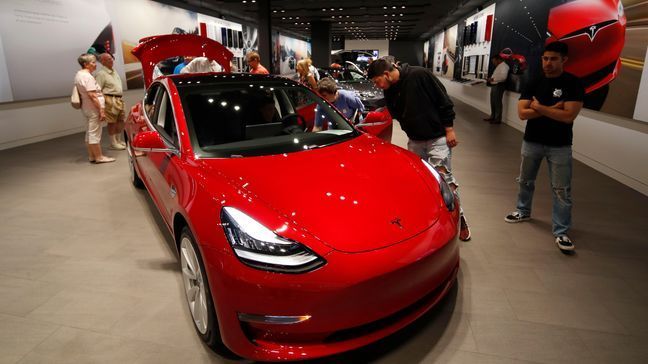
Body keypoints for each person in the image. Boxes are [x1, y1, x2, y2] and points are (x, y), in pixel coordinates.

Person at [367, 58, 471, 241]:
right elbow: (395, 112)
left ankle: (459, 217)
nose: (378, 86)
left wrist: (449, 129)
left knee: (444, 180)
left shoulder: (420, 75)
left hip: (437, 138)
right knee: (419, 182)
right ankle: (428, 220)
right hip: (414, 141)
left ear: (386, 74)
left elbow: (443, 101)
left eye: (377, 81)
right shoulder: (390, 89)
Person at [505, 42, 584, 253]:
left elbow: (568, 116)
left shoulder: (573, 83)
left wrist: (538, 107)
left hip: (560, 145)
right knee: (525, 180)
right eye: (545, 59)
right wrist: (550, 109)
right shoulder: (534, 81)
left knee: (561, 190)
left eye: (553, 59)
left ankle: (561, 231)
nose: (548, 63)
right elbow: (522, 113)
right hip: (532, 141)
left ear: (564, 60)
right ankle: (523, 211)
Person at [74, 53, 114, 163]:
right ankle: (99, 157)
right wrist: (101, 110)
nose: (95, 65)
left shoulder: (79, 75)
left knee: (89, 132)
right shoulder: (87, 77)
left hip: (86, 108)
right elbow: (92, 95)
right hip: (93, 109)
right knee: (94, 133)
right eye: (93, 62)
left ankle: (92, 156)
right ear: (86, 64)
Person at [95, 53, 126, 150]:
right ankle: (113, 142)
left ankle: (118, 140)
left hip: (119, 99)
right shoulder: (101, 74)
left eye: (111, 58)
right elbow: (98, 89)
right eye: (108, 59)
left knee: (120, 120)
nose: (111, 60)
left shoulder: (114, 71)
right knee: (112, 122)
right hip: (109, 99)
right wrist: (105, 101)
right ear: (102, 61)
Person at [484, 54, 510, 124]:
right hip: (494, 85)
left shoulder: (504, 66)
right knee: (493, 102)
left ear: (498, 59)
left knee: (497, 102)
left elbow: (503, 78)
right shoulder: (499, 66)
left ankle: (497, 119)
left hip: (499, 85)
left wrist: (492, 79)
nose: (493, 63)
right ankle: (493, 116)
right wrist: (491, 79)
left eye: (494, 61)